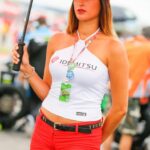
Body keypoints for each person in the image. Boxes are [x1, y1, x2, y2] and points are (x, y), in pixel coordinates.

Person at [12, 0, 128, 149]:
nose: (81, 2)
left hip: (81, 137)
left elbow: (120, 109)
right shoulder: (57, 40)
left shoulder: (114, 47)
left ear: (103, 4)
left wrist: (93, 141)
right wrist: (27, 69)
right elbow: (48, 93)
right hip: (43, 131)